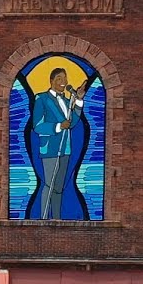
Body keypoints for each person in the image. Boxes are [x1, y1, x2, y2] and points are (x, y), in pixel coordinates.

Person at [32, 68, 89, 219]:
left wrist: (79, 101)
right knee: (49, 185)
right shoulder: (41, 99)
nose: (63, 82)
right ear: (51, 81)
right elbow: (37, 125)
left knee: (58, 187)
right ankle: (43, 218)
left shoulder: (66, 101)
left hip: (65, 148)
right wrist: (57, 126)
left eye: (64, 78)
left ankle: (56, 218)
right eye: (59, 78)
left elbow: (72, 122)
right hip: (50, 148)